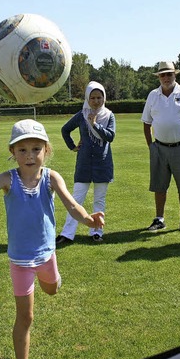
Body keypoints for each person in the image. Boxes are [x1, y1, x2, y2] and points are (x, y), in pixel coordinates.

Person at [0, 119, 105, 359]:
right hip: (20, 262)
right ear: (12, 152)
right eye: (22, 150)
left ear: (46, 150)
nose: (29, 155)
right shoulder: (7, 179)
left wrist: (89, 220)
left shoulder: (51, 178)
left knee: (52, 290)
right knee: (26, 317)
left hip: (47, 256)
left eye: (36, 148)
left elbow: (72, 205)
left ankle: (54, 279)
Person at [141, 61, 180, 234]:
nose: (166, 77)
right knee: (159, 185)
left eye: (169, 74)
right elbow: (146, 123)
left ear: (175, 75)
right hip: (160, 148)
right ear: (159, 77)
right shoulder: (153, 95)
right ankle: (159, 219)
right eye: (162, 74)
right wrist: (151, 146)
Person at [57, 81, 115, 245]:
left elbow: (110, 136)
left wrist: (95, 124)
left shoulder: (109, 115)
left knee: (99, 200)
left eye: (99, 97)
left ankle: (97, 232)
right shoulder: (81, 115)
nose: (96, 101)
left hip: (102, 164)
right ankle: (68, 234)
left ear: (104, 98)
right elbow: (65, 130)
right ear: (87, 99)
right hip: (83, 164)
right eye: (93, 98)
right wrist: (73, 147)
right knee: (76, 200)